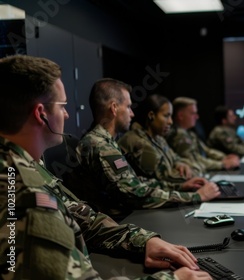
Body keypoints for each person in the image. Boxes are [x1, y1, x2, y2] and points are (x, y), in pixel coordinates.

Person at [0, 55, 211, 279]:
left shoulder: (28, 166)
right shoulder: (24, 196)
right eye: (62, 106)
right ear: (41, 114)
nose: (67, 114)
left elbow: (81, 216)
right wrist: (174, 279)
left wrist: (143, 241)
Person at [74, 79, 220, 218]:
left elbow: (135, 182)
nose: (132, 113)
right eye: (128, 107)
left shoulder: (105, 141)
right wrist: (196, 196)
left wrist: (181, 186)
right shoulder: (100, 145)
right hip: (118, 222)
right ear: (114, 108)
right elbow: (135, 194)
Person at [118, 94, 205, 182]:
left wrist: (180, 164)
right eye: (166, 116)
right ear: (151, 115)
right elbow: (166, 176)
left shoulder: (159, 138)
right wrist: (194, 171)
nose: (170, 122)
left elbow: (175, 157)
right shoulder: (138, 141)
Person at [167, 97, 240, 173]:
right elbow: (193, 161)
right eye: (193, 113)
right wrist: (222, 164)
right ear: (181, 116)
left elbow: (206, 150)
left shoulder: (190, 133)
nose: (197, 117)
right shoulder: (179, 135)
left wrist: (224, 157)